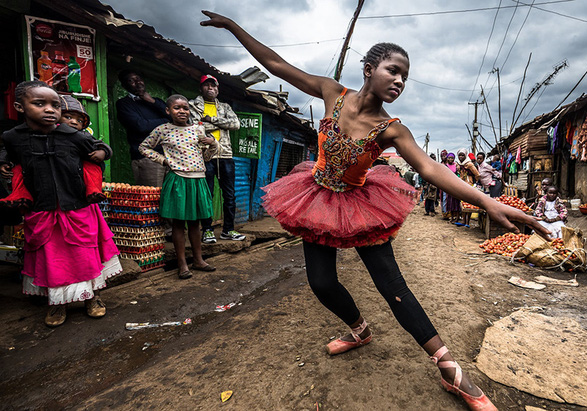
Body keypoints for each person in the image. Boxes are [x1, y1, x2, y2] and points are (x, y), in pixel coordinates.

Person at [201, 10, 548, 410]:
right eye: (394, 70)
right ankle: (359, 330)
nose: (400, 81)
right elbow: (277, 64)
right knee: (321, 283)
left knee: (393, 287)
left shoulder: (392, 128)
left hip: (362, 205)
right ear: (369, 69)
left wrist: (487, 200)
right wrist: (233, 27)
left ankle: (452, 371)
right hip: (314, 198)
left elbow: (429, 167)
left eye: (405, 77)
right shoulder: (332, 92)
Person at [0, 81, 121, 326]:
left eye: (55, 105)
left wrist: (104, 153)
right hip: (42, 209)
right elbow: (10, 157)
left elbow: (98, 148)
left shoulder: (72, 135)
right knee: (52, 259)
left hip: (77, 206)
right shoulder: (13, 138)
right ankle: (57, 304)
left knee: (84, 256)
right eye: (39, 103)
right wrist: (4, 163)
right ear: (19, 107)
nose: (50, 110)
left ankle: (92, 298)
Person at [139, 95, 219, 280]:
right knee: (178, 223)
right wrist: (163, 160)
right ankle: (182, 263)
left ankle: (198, 260)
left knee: (195, 223)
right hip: (178, 179)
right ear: (168, 111)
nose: (182, 111)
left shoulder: (198, 129)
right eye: (177, 108)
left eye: (185, 108)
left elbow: (207, 157)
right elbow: (144, 147)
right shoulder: (163, 130)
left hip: (198, 178)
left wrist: (212, 144)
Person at [0, 95, 110, 207]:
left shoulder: (81, 136)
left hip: (72, 183)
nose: (74, 122)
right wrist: (4, 162)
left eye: (80, 120)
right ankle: (20, 197)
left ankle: (93, 191)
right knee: (18, 169)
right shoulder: (31, 134)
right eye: (68, 117)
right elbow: (10, 148)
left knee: (91, 167)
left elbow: (98, 145)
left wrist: (103, 151)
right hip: (42, 186)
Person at [189, 74, 246, 244]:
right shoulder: (193, 105)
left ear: (217, 88)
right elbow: (194, 127)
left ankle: (228, 230)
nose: (210, 88)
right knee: (207, 194)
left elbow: (236, 124)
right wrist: (220, 123)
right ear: (201, 88)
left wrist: (211, 119)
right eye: (206, 85)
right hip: (204, 155)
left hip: (225, 155)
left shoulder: (225, 107)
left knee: (229, 195)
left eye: (213, 86)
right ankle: (207, 230)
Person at [116, 70, 170, 187]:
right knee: (151, 198)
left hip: (169, 157)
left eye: (139, 79)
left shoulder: (156, 102)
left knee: (170, 198)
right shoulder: (124, 104)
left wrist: (152, 101)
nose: (138, 82)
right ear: (124, 86)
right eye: (132, 80)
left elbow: (173, 117)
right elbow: (140, 126)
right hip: (147, 158)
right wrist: (166, 122)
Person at [443, 153, 462, 223]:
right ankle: (452, 217)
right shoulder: (445, 166)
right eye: (449, 158)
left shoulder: (456, 166)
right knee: (450, 202)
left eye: (452, 158)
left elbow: (459, 175)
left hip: (456, 185)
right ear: (447, 158)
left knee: (456, 201)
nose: (450, 159)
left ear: (454, 159)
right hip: (449, 185)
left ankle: (456, 218)